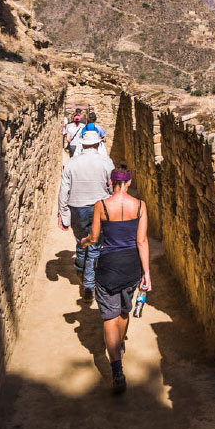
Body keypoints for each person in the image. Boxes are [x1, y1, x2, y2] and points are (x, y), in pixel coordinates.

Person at [80, 165, 150, 394]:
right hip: (131, 266)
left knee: (109, 317)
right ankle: (119, 347)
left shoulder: (102, 206)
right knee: (123, 311)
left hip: (108, 266)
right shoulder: (139, 206)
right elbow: (141, 242)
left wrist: (85, 242)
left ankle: (117, 369)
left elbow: (95, 237)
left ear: (112, 182)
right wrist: (146, 273)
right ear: (129, 182)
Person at [58, 130, 114, 300]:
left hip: (77, 208)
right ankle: (89, 285)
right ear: (98, 144)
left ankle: (80, 270)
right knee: (95, 245)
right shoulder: (106, 162)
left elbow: (64, 191)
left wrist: (64, 215)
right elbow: (111, 188)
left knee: (81, 241)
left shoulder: (71, 163)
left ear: (82, 144)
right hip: (100, 207)